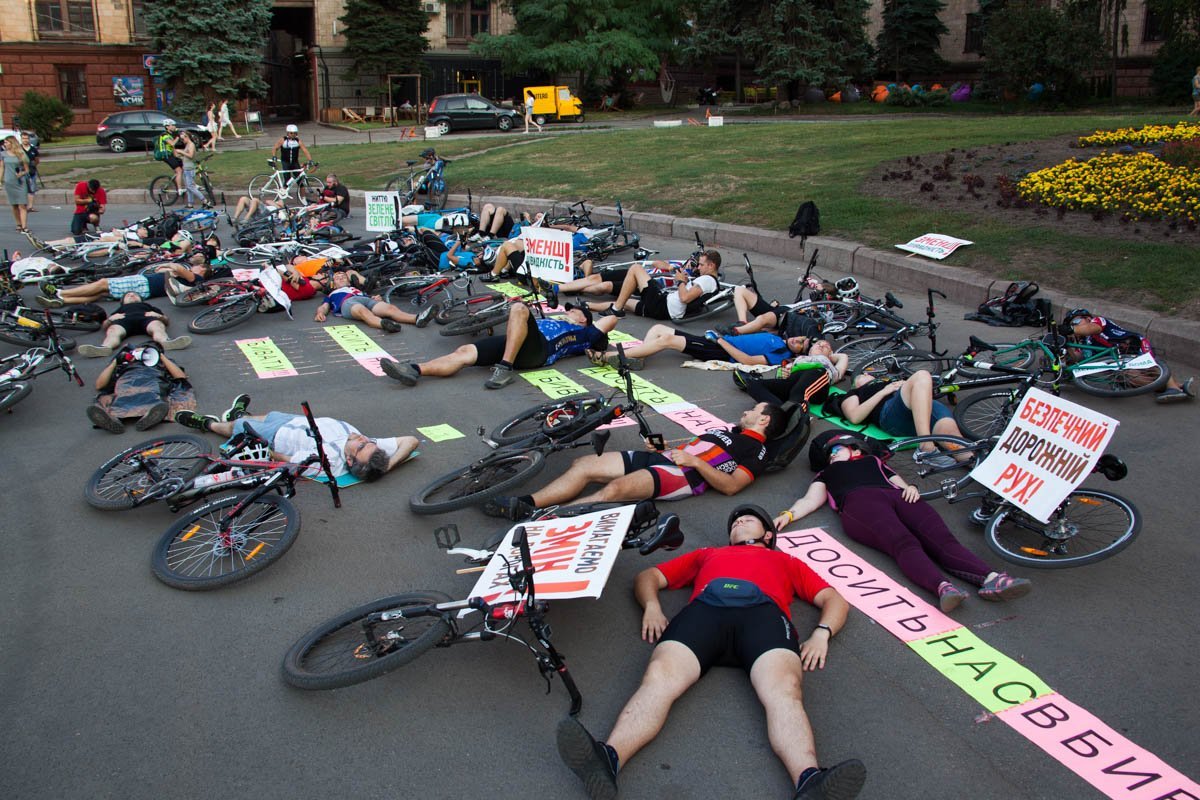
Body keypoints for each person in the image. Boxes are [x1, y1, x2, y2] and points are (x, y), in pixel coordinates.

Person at [556, 504, 864, 800]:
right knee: (659, 677)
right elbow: (648, 576)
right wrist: (651, 605)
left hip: (762, 616)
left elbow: (834, 600)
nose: (738, 522)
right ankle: (607, 759)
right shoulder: (709, 554)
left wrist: (822, 634)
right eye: (735, 521)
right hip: (706, 611)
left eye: (748, 519)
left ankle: (810, 780)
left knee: (785, 689)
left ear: (769, 535)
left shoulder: (787, 562)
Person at [775, 432, 1032, 612]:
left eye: (835, 450)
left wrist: (909, 487)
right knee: (903, 542)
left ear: (854, 449)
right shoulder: (826, 473)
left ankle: (992, 578)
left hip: (897, 497)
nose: (831, 456)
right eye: (829, 454)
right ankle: (942, 588)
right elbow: (810, 500)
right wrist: (787, 516)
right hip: (860, 504)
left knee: (942, 540)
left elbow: (895, 480)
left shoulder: (873, 461)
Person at [488, 401, 787, 520]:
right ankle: (526, 503)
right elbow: (689, 447)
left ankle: (542, 522)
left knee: (614, 491)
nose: (746, 410)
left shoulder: (757, 451)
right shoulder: (726, 430)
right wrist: (658, 445)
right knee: (584, 464)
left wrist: (695, 464)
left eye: (753, 409)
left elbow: (732, 486)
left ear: (764, 419)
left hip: (685, 477)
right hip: (665, 457)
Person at [381, 301, 615, 390]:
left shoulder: (585, 332)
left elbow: (612, 318)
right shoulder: (553, 320)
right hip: (515, 343)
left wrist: (591, 307)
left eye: (573, 310)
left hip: (539, 351)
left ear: (583, 318)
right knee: (464, 352)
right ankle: (415, 369)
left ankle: (504, 368)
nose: (568, 311)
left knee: (519, 308)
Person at [175, 399, 419, 482]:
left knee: (231, 428)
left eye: (362, 446)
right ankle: (239, 413)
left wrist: (264, 449)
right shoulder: (370, 449)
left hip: (275, 436)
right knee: (263, 414)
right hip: (295, 421)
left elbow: (285, 460)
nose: (365, 439)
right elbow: (411, 441)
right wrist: (388, 466)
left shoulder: (327, 460)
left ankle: (207, 423)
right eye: (369, 442)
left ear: (348, 458)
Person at [824, 370, 965, 462]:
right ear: (855, 384)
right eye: (861, 375)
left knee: (957, 442)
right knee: (922, 375)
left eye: (867, 374)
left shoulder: (889, 382)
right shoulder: (855, 393)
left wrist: (906, 385)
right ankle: (926, 446)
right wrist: (884, 391)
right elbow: (854, 417)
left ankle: (977, 465)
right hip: (890, 414)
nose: (865, 374)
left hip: (922, 410)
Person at [1060, 308, 1194, 404]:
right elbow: (1079, 358)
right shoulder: (1084, 341)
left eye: (1076, 322)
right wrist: (1068, 345)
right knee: (1130, 377)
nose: (1073, 326)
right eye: (1071, 324)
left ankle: (1173, 388)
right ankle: (1177, 387)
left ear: (1087, 318)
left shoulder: (1097, 321)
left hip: (1132, 344)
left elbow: (1091, 329)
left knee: (1149, 364)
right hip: (1119, 358)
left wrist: (1071, 330)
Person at [38, 244, 212, 307]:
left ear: (202, 271)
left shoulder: (196, 279)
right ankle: (61, 301)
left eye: (198, 267)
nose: (195, 267)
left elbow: (179, 269)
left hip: (143, 285)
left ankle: (60, 293)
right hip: (145, 288)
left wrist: (169, 265)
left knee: (103, 283)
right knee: (98, 294)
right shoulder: (190, 279)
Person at [86, 342, 195, 434]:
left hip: (153, 378)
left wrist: (160, 356)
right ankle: (113, 419)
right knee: (121, 395)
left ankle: (150, 415)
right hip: (127, 380)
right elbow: (99, 385)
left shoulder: (160, 362)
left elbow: (180, 376)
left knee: (152, 393)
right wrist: (116, 361)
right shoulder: (123, 364)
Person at [585, 250, 722, 322]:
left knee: (636, 268)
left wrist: (681, 281)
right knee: (626, 301)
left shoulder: (707, 280)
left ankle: (615, 310)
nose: (698, 267)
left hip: (664, 305)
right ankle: (588, 305)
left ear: (711, 266)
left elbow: (685, 298)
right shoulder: (708, 281)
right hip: (664, 309)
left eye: (701, 265)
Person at [600, 324, 812, 370]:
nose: (798, 342)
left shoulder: (781, 354)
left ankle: (611, 355)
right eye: (801, 338)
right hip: (717, 340)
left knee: (667, 341)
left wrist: (720, 340)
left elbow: (747, 361)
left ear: (799, 353)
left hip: (719, 348)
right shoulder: (778, 339)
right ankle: (638, 358)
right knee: (657, 329)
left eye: (801, 346)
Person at [734, 338, 849, 408]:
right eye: (818, 344)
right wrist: (782, 373)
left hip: (816, 381)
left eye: (826, 346)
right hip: (793, 382)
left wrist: (828, 356)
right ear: (809, 350)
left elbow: (843, 357)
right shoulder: (797, 361)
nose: (821, 346)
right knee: (753, 385)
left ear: (831, 353)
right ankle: (782, 411)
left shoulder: (828, 365)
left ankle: (796, 408)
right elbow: (781, 377)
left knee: (809, 378)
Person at [78, 292, 192, 357]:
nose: (132, 295)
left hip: (146, 318)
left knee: (157, 325)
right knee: (113, 330)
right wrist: (110, 319)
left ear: (141, 300)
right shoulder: (120, 309)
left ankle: (166, 342)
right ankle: (105, 348)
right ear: (123, 302)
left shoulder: (148, 306)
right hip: (124, 320)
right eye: (128, 295)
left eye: (135, 295)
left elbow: (166, 321)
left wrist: (159, 316)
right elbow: (105, 326)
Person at [313, 268, 424, 333]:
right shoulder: (332, 294)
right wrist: (320, 313)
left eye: (343, 276)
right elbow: (324, 306)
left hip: (364, 299)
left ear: (348, 281)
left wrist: (376, 298)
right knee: (362, 311)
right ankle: (382, 324)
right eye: (337, 278)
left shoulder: (356, 289)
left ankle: (416, 318)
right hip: (347, 303)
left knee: (389, 308)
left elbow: (369, 298)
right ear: (333, 285)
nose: (341, 278)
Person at [1, 135, 30, 233]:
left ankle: (25, 226)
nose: (5, 144)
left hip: (20, 182)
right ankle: (18, 224)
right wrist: (0, 180)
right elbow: (1, 168)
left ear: (12, 143)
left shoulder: (21, 154)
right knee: (14, 205)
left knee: (22, 204)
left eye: (6, 142)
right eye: (4, 143)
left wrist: (21, 173)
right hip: (9, 181)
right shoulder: (3, 154)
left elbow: (27, 170)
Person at [178, 132, 208, 209]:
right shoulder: (187, 145)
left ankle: (205, 201)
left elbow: (191, 155)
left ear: (187, 137)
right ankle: (190, 204)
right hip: (186, 168)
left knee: (191, 186)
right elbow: (186, 156)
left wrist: (181, 152)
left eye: (183, 138)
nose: (182, 140)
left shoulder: (191, 145)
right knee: (188, 187)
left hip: (190, 169)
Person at [155, 120, 186, 195]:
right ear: (167, 127)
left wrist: (180, 156)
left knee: (185, 167)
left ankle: (191, 185)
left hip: (170, 155)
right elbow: (172, 144)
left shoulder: (170, 135)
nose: (174, 126)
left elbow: (173, 149)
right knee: (179, 170)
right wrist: (178, 136)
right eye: (172, 125)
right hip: (166, 156)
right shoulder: (164, 135)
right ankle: (179, 190)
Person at [20, 131, 39, 214]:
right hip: (22, 171)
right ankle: (23, 205)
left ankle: (30, 206)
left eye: (26, 138)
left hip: (32, 171)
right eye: (23, 138)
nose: (25, 140)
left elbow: (37, 159)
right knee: (23, 188)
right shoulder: (19, 149)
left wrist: (34, 166)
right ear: (21, 139)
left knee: (32, 189)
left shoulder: (33, 149)